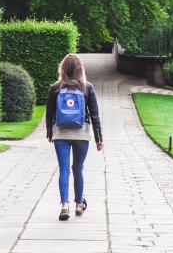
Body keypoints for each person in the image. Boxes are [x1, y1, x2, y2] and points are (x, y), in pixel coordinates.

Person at [45, 54, 104, 221]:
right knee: (78, 168)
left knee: (63, 169)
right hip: (81, 134)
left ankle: (65, 205)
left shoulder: (56, 88)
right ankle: (79, 204)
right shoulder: (87, 87)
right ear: (80, 69)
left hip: (60, 133)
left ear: (62, 68)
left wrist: (50, 133)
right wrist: (99, 139)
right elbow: (95, 115)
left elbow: (49, 114)